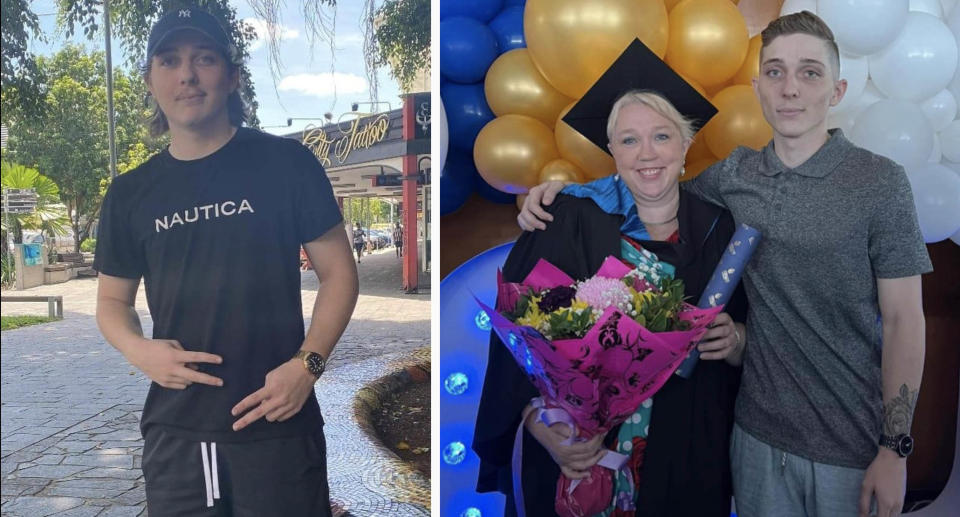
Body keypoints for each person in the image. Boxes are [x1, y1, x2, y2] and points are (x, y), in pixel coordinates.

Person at [518, 11, 931, 517]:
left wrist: (896, 447)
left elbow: (905, 319)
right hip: (752, 440)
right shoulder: (735, 176)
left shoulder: (880, 183)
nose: (791, 89)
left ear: (838, 90)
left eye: (810, 72)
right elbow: (651, 182)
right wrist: (558, 193)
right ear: (758, 87)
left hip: (850, 444)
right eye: (775, 72)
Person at [93, 7, 358, 516]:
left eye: (204, 58)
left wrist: (309, 365)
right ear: (150, 79)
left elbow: (339, 273)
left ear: (232, 75)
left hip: (280, 423)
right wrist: (138, 350)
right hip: (177, 432)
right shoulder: (130, 194)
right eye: (169, 60)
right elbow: (111, 300)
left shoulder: (287, 165)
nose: (187, 74)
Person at [474, 39, 749, 517]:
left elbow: (748, 335)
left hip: (684, 455)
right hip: (577, 454)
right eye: (629, 139)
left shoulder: (719, 229)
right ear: (612, 150)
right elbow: (514, 345)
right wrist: (542, 427)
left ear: (686, 145)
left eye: (662, 136)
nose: (647, 153)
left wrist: (739, 340)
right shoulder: (567, 218)